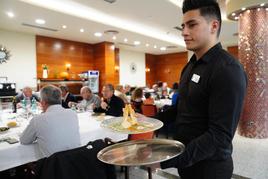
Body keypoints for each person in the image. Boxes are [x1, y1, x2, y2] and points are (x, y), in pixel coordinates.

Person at [159, 0, 247, 179]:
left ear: (214, 26)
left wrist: (165, 161)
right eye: (183, 26)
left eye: (192, 25)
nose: (184, 32)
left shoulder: (228, 69)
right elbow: (181, 110)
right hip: (186, 163)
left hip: (210, 169)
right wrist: (150, 121)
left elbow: (219, 136)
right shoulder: (190, 66)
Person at [20, 85, 80, 157]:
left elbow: (24, 140)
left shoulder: (38, 119)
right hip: (76, 162)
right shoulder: (72, 113)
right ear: (60, 100)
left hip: (54, 165)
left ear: (43, 102)